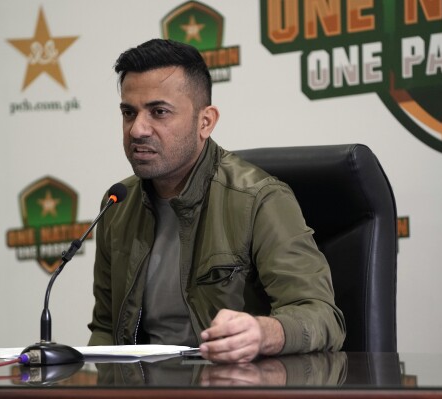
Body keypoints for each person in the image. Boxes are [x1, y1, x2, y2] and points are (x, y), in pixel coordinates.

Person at [88, 38, 346, 363]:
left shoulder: (259, 199)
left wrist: (263, 332)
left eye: (159, 112)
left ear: (205, 121)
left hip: (232, 384)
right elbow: (106, 327)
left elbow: (322, 316)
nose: (137, 129)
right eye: (129, 112)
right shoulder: (117, 205)